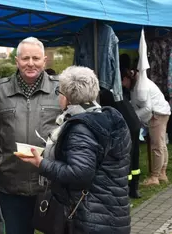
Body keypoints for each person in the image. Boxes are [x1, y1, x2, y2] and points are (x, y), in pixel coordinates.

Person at [16, 66, 131, 234]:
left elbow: (79, 173)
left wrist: (42, 164)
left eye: (59, 92)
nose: (58, 98)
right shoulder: (108, 119)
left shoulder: (81, 128)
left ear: (68, 98)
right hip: (113, 213)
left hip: (91, 218)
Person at [0, 37, 60, 234]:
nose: (30, 63)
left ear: (44, 61)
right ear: (17, 61)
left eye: (35, 58)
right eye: (25, 58)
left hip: (52, 186)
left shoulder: (61, 89)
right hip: (13, 188)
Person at [100, 54, 142, 198]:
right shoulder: (116, 91)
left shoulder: (104, 94)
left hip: (128, 126)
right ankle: (134, 188)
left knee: (127, 157)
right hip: (134, 123)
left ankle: (127, 188)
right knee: (135, 155)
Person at [122, 63, 171, 186]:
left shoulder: (141, 87)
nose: (123, 85)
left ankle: (155, 177)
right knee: (161, 144)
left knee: (156, 145)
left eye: (123, 81)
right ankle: (162, 173)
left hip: (157, 113)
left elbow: (147, 108)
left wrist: (134, 116)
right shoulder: (138, 83)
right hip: (162, 111)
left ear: (127, 78)